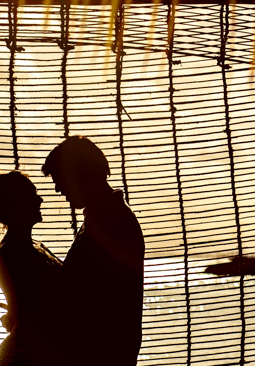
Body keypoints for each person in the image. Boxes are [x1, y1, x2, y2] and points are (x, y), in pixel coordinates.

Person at [43, 136, 145, 366]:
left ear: (79, 174)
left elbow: (96, 299)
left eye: (60, 180)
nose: (58, 189)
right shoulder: (103, 218)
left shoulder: (111, 222)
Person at [0, 170, 71, 366]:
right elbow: (31, 321)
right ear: (17, 204)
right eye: (33, 195)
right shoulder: (10, 253)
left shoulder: (33, 246)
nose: (40, 200)